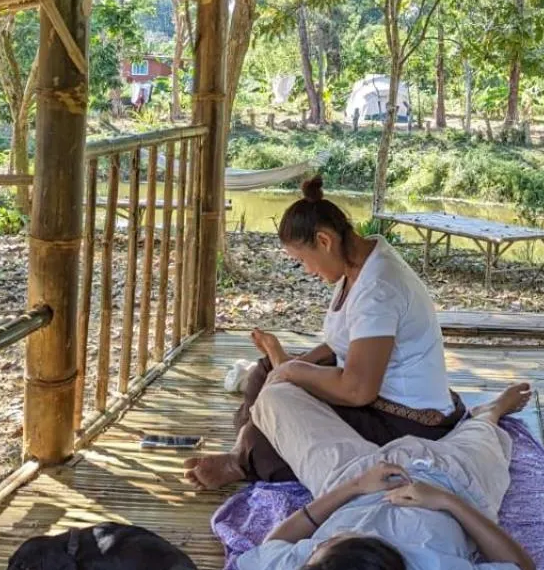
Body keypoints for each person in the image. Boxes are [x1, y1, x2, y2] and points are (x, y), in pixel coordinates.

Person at [185, 177, 464, 488]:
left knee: (270, 422)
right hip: (370, 394)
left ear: (324, 240)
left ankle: (242, 459)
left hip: (405, 419)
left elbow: (359, 390)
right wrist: (293, 364)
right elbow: (339, 343)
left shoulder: (379, 289)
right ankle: (253, 436)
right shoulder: (358, 262)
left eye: (303, 260)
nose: (308, 270)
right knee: (265, 375)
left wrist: (294, 371)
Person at [222, 380, 539, 570]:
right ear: (390, 565)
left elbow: (272, 545)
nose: (316, 544)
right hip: (451, 476)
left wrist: (353, 487)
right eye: (340, 540)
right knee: (482, 431)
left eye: (321, 545)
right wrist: (448, 503)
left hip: (354, 476)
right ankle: (489, 414)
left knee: (273, 397)